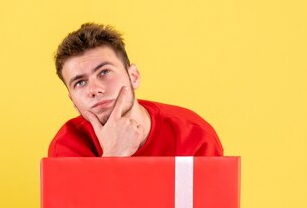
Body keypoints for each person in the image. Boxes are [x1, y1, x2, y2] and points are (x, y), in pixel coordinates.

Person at [48, 23, 223, 157]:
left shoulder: (194, 136)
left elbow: (212, 204)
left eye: (105, 72)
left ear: (134, 76)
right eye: (80, 82)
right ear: (73, 100)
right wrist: (113, 155)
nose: (95, 89)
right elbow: (78, 206)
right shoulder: (66, 146)